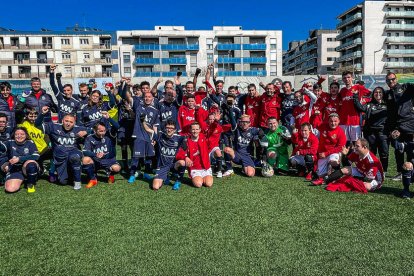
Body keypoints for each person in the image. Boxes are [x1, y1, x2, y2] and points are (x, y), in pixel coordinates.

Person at [36, 108, 88, 190]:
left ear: (74, 123)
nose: (68, 124)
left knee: (74, 157)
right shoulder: (53, 127)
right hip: (60, 158)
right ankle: (71, 174)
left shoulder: (78, 128)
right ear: (62, 121)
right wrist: (42, 114)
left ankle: (77, 181)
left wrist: (86, 132)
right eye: (66, 121)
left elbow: (95, 130)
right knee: (63, 181)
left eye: (71, 122)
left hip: (73, 153)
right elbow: (37, 125)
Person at [384, 72, 414, 182]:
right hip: (396, 126)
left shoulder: (406, 87)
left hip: (410, 124)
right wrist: (392, 128)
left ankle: (410, 172)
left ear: (396, 79)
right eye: (388, 80)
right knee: (398, 149)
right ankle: (400, 172)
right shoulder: (387, 94)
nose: (391, 81)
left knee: (411, 149)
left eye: (392, 79)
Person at [142, 119, 187, 191]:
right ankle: (165, 178)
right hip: (162, 166)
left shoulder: (179, 138)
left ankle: (178, 181)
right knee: (155, 187)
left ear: (175, 130)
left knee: (183, 162)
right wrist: (143, 121)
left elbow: (188, 145)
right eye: (168, 128)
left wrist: (187, 156)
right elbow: (148, 130)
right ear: (165, 128)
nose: (169, 130)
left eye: (171, 128)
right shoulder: (160, 136)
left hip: (173, 165)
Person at [352, 86, 389, 174]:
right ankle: (372, 169)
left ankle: (384, 170)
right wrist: (356, 96)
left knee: (384, 152)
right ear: (373, 94)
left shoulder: (387, 104)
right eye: (376, 92)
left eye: (380, 92)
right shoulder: (369, 104)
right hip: (370, 132)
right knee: (371, 152)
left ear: (383, 94)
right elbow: (360, 108)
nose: (378, 94)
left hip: (383, 132)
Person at [82, 114, 121, 188]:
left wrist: (109, 118)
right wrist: (95, 154)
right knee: (85, 159)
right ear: (95, 130)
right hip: (96, 161)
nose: (103, 133)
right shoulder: (90, 138)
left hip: (109, 161)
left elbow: (117, 126)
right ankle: (93, 179)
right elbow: (84, 151)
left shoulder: (109, 134)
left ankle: (110, 174)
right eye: (100, 131)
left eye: (104, 131)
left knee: (117, 168)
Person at [1, 127, 39, 193]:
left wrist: (19, 159)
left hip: (26, 167)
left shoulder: (30, 142)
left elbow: (36, 156)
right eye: (17, 134)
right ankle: (22, 178)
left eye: (22, 134)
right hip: (15, 169)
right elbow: (2, 147)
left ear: (26, 135)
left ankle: (30, 184)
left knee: (31, 164)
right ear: (14, 135)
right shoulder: (10, 142)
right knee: (10, 189)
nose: (19, 136)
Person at [312, 113, 347, 185]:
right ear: (328, 121)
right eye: (331, 121)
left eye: (335, 121)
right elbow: (314, 124)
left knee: (333, 161)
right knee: (320, 175)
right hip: (322, 153)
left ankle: (337, 173)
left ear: (339, 121)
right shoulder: (323, 126)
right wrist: (316, 115)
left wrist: (326, 153)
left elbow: (340, 147)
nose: (333, 123)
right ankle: (325, 177)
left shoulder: (341, 132)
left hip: (333, 153)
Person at [338, 71, 370, 143]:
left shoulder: (358, 87)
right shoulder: (342, 91)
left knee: (356, 143)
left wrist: (364, 101)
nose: (347, 79)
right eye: (344, 78)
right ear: (343, 80)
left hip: (355, 121)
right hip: (343, 121)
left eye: (348, 77)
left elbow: (370, 94)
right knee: (345, 143)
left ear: (352, 78)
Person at [185, 122, 213, 188]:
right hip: (194, 168)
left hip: (205, 167)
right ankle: (197, 178)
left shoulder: (204, 137)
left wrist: (215, 121)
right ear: (190, 130)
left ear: (200, 130)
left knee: (209, 184)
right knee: (198, 184)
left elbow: (211, 130)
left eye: (197, 129)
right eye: (193, 129)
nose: (195, 131)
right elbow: (181, 152)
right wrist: (185, 157)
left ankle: (203, 177)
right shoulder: (186, 141)